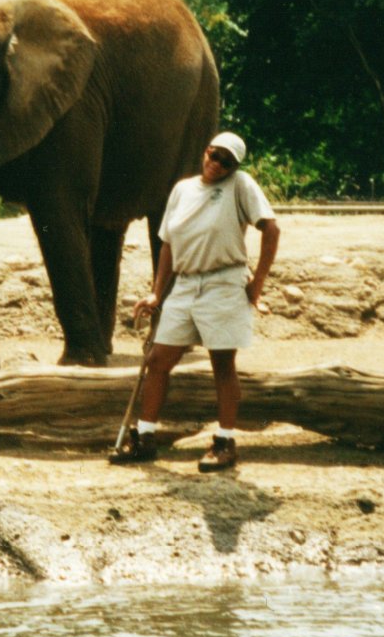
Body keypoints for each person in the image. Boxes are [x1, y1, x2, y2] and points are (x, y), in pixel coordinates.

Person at [110, 131, 280, 472]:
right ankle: (145, 437)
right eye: (214, 155)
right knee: (158, 360)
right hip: (185, 285)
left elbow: (272, 229)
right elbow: (169, 244)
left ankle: (225, 441)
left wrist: (257, 286)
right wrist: (158, 292)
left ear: (235, 166)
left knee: (222, 364)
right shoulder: (183, 189)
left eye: (226, 161)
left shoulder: (241, 185)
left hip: (224, 281)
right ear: (206, 151)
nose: (217, 164)